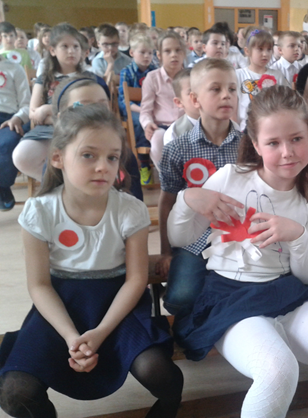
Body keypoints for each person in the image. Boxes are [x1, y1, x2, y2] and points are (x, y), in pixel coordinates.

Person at [167, 85, 308, 417]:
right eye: (273, 143)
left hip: (286, 292)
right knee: (278, 371)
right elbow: (180, 237)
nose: (287, 152)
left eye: (296, 139)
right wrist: (188, 199)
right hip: (230, 297)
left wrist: (298, 236)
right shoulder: (230, 178)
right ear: (256, 144)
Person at [0, 104, 183, 418]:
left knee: (161, 373)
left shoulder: (129, 209)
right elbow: (40, 285)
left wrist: (100, 333)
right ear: (57, 158)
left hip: (118, 304)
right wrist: (71, 337)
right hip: (60, 306)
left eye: (112, 157)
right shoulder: (39, 211)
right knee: (15, 392)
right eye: (88, 155)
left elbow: (135, 280)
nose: (103, 167)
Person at [158, 59, 242, 314]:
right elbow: (167, 202)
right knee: (180, 299)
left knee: (242, 295)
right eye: (216, 89)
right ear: (194, 100)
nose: (226, 95)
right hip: (193, 240)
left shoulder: (249, 146)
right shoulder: (177, 148)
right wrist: (165, 252)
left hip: (238, 237)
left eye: (232, 89)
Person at [12, 23, 93, 182]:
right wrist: (56, 115)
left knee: (76, 156)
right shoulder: (45, 78)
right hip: (46, 131)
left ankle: (70, 186)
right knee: (21, 156)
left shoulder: (87, 78)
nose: (71, 51)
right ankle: (58, 186)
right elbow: (33, 112)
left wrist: (48, 109)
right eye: (65, 46)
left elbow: (85, 110)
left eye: (76, 46)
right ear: (52, 50)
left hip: (78, 129)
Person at [139, 30, 186, 167]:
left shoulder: (191, 76)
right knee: (158, 138)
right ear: (159, 55)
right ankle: (166, 175)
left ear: (184, 53)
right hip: (162, 127)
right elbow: (145, 110)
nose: (173, 55)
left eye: (178, 50)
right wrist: (148, 123)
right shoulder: (152, 78)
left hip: (186, 125)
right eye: (167, 51)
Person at [118, 34, 157, 184]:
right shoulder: (126, 72)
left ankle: (159, 157)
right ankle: (144, 163)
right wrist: (143, 111)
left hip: (152, 108)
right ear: (132, 52)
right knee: (141, 122)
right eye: (142, 52)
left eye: (150, 53)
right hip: (134, 110)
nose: (147, 56)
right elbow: (123, 100)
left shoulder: (154, 71)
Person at [236, 29, 286, 128]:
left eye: (269, 49)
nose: (265, 54)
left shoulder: (278, 75)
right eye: (260, 49)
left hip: (273, 126)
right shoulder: (238, 75)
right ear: (247, 51)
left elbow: (284, 101)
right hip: (245, 127)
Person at [0, 56, 31, 210]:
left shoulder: (14, 68)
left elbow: (27, 103)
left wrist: (17, 118)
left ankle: (3, 186)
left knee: (7, 144)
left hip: (10, 118)